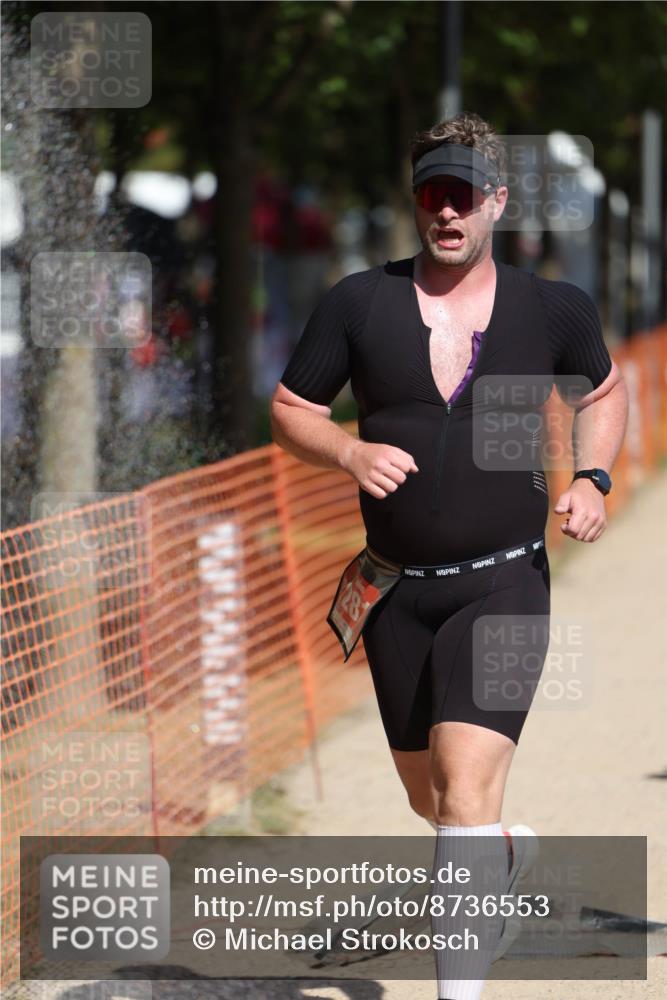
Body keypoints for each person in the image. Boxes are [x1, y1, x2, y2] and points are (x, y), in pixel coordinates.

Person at [270, 111, 628, 999]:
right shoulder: (358, 302)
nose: (448, 212)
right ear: (417, 199)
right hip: (393, 594)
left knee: (464, 792)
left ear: (496, 202)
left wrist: (592, 477)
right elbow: (289, 408)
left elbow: (607, 391)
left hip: (504, 584)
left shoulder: (552, 309)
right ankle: (501, 856)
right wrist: (348, 452)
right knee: (430, 802)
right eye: (434, 193)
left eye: (464, 194)